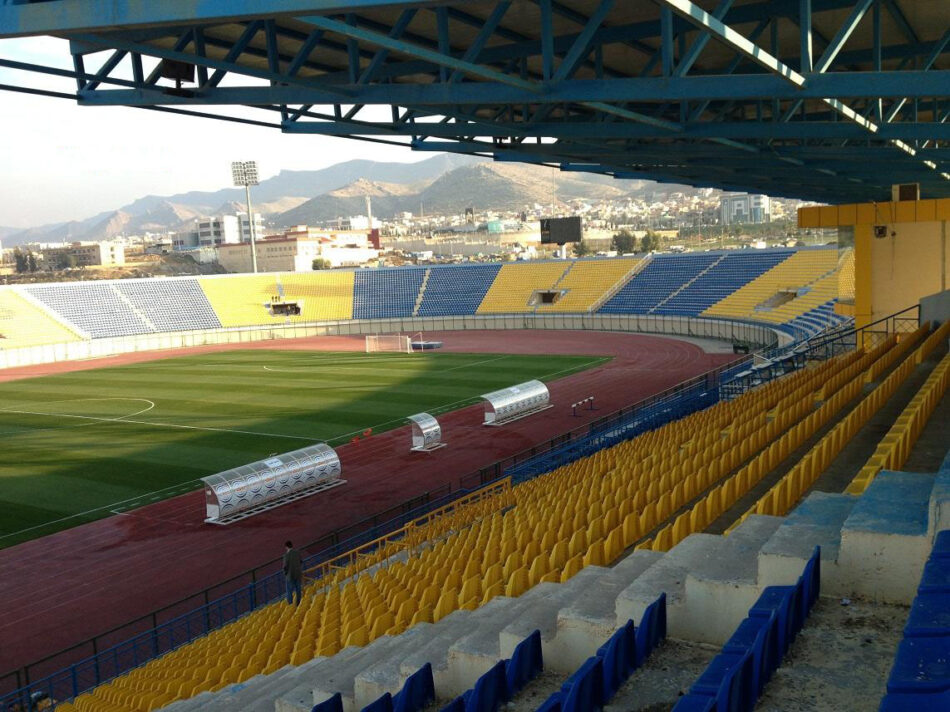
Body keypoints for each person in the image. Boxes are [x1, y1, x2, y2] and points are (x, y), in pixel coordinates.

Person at [283, 540, 303, 606]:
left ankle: (290, 605)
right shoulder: (297, 552)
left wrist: (285, 573)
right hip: (298, 574)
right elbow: (301, 561)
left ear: (286, 547)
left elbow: (285, 566)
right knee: (298, 589)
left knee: (289, 591)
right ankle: (298, 603)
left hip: (290, 575)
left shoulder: (286, 555)